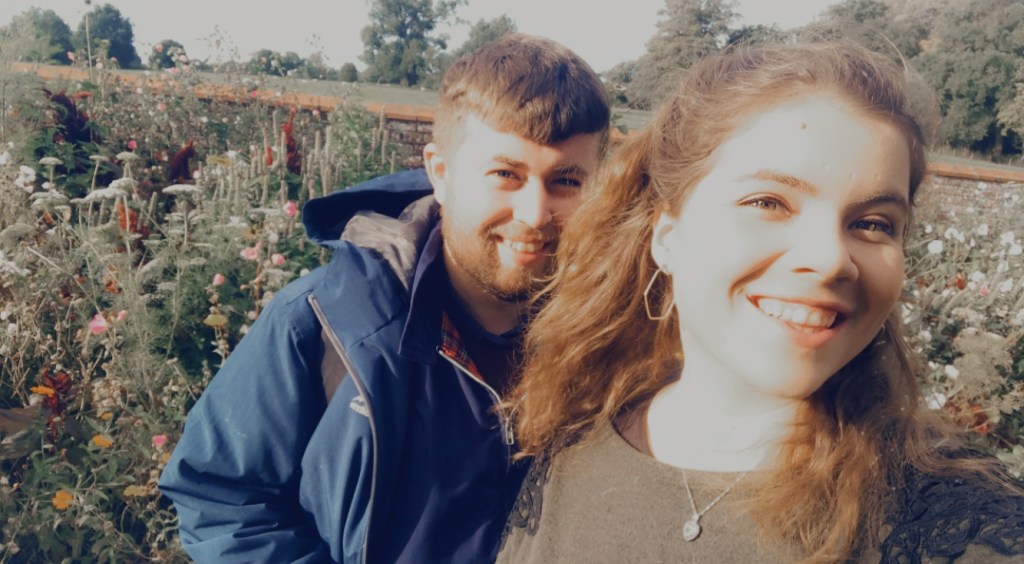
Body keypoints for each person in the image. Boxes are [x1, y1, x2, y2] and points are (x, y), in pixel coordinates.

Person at [498, 42, 1024, 563]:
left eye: (873, 223)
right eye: (769, 202)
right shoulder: (567, 453)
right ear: (667, 235)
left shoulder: (960, 525)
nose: (831, 260)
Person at [158, 33, 610, 563]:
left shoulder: (614, 340)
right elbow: (222, 497)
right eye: (505, 174)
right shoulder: (323, 324)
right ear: (441, 173)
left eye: (566, 181)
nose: (534, 213)